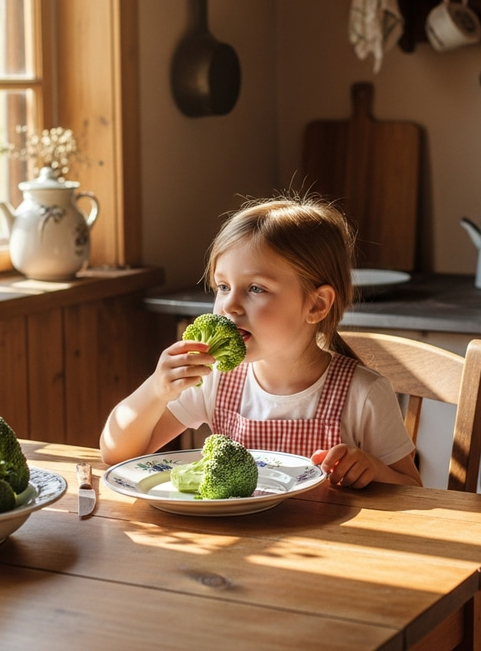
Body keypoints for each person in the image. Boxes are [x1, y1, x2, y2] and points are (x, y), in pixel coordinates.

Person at [100, 194, 422, 488]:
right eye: (223, 286)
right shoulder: (215, 382)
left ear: (316, 305)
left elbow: (415, 492)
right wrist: (156, 390)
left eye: (256, 288)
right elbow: (117, 454)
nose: (229, 305)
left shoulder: (363, 394)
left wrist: (372, 469)